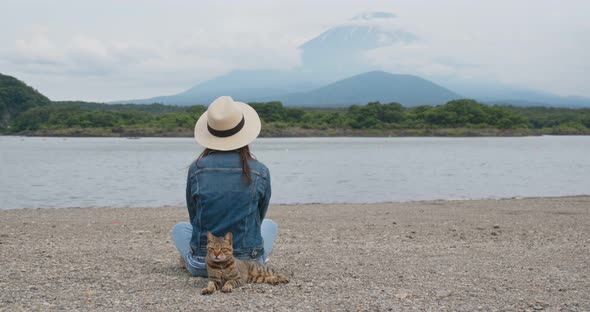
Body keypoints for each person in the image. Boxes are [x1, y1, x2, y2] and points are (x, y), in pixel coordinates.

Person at [171, 96, 276, 277]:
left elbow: (194, 215)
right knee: (268, 224)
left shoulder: (197, 169)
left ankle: (189, 259)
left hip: (203, 264)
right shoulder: (260, 170)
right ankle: (259, 261)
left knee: (180, 228)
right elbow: (259, 216)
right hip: (246, 264)